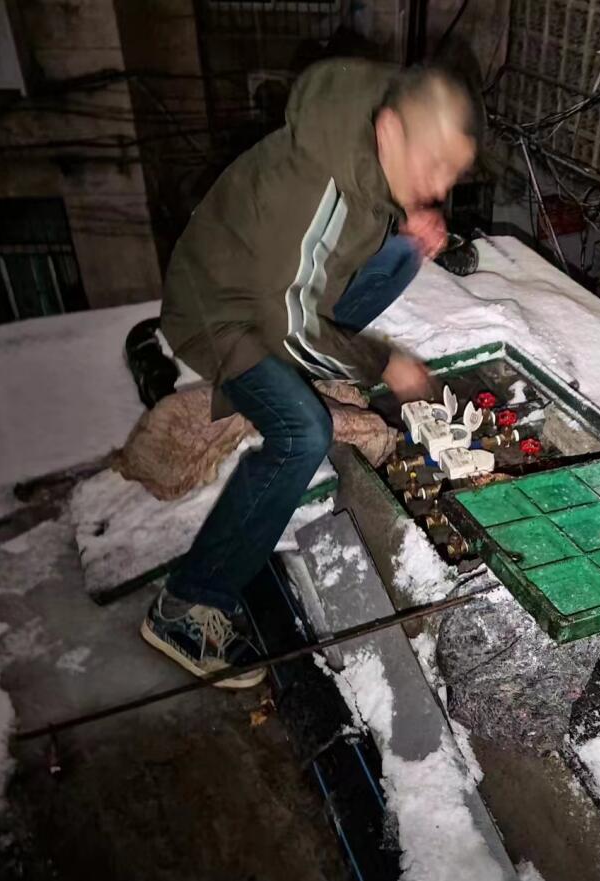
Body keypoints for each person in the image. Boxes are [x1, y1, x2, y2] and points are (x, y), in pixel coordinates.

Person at [146, 58, 482, 686]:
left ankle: (315, 367)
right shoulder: (318, 182)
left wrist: (407, 224)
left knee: (403, 252)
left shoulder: (370, 153)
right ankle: (185, 607)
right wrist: (382, 362)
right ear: (390, 130)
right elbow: (286, 325)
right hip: (223, 311)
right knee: (303, 431)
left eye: (451, 173)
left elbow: (347, 237)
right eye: (434, 164)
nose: (439, 186)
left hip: (280, 292)